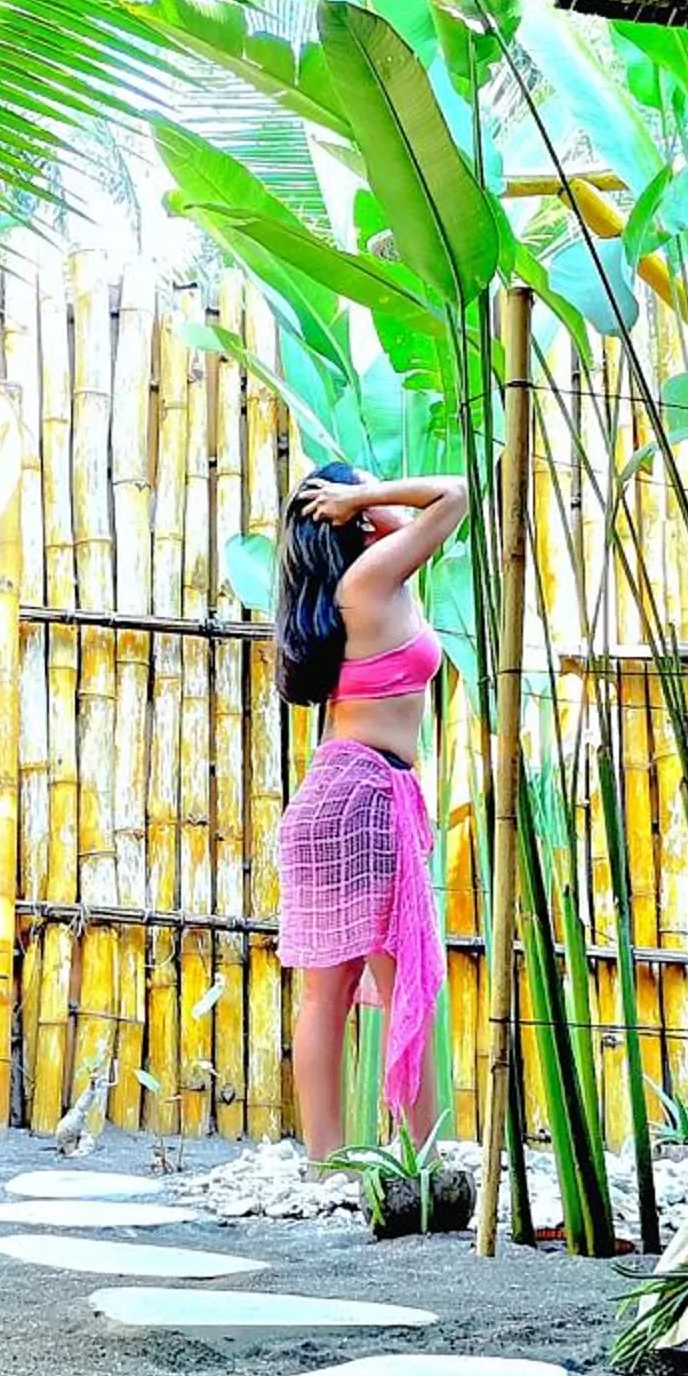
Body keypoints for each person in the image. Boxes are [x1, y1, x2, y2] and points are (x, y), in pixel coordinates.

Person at [270, 462, 468, 1159]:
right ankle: (423, 1155)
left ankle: (336, 1166)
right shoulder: (365, 583)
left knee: (338, 994)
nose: (386, 494)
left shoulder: (371, 582)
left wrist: (363, 500)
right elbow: (455, 493)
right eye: (371, 488)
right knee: (383, 984)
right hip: (359, 801)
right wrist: (362, 496)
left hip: (345, 796)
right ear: (353, 515)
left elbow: (428, 516)